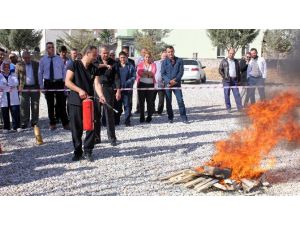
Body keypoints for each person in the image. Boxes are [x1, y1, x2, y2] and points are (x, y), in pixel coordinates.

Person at [65, 45, 106, 162]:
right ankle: (77, 152)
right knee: (76, 128)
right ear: (87, 53)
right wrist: (79, 90)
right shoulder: (74, 64)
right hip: (75, 101)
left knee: (91, 127)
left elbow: (97, 84)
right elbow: (67, 81)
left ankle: (88, 151)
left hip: (89, 102)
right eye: (94, 55)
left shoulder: (94, 67)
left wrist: (101, 96)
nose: (95, 57)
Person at [38, 42, 69, 130]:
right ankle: (52, 123)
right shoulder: (43, 60)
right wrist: (41, 86)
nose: (51, 49)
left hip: (59, 83)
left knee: (61, 104)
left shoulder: (59, 59)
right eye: (49, 47)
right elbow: (40, 73)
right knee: (50, 104)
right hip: (48, 83)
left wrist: (65, 84)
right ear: (46, 49)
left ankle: (65, 123)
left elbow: (64, 72)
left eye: (52, 47)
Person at [95, 46, 121, 146]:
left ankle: (112, 138)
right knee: (96, 114)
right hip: (97, 88)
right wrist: (105, 66)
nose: (105, 55)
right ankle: (96, 137)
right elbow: (94, 66)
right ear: (100, 53)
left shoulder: (113, 62)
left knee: (109, 114)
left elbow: (117, 78)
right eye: (103, 53)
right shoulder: (96, 60)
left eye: (107, 53)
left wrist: (118, 90)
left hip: (108, 89)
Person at [161, 45, 188, 123]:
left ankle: (184, 118)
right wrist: (169, 81)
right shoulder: (164, 62)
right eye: (168, 52)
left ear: (174, 51)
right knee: (168, 102)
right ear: (166, 53)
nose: (170, 53)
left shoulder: (179, 60)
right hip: (168, 85)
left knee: (180, 101)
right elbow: (163, 74)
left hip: (177, 84)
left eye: (171, 51)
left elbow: (181, 72)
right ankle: (170, 118)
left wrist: (175, 80)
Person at [15, 51, 40, 129]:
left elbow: (39, 75)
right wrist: (17, 87)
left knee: (35, 105)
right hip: (24, 88)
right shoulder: (18, 65)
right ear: (22, 58)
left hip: (35, 87)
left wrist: (40, 86)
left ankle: (34, 122)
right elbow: (16, 77)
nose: (26, 59)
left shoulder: (36, 64)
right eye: (25, 58)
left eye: (28, 57)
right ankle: (24, 122)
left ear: (30, 57)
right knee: (24, 106)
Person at [114, 51, 135, 126]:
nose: (122, 59)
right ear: (119, 58)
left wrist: (127, 83)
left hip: (127, 89)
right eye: (121, 57)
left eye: (124, 57)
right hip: (118, 90)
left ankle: (127, 121)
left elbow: (133, 77)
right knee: (118, 106)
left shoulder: (130, 66)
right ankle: (116, 120)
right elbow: (114, 77)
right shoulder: (116, 66)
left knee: (127, 105)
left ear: (126, 58)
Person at [218, 48, 243, 112]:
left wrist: (239, 80)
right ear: (228, 53)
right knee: (227, 94)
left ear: (234, 54)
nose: (231, 55)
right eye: (230, 53)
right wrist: (224, 76)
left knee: (237, 94)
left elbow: (238, 71)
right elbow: (220, 70)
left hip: (235, 80)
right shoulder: (224, 61)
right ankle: (228, 108)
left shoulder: (236, 61)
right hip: (227, 81)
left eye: (233, 53)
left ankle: (240, 108)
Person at [0, 60, 21, 133]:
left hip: (13, 95)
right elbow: (1, 85)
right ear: (2, 67)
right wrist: (9, 85)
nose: (6, 68)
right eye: (5, 67)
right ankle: (6, 127)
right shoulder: (0, 75)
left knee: (15, 111)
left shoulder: (13, 74)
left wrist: (6, 85)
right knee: (5, 112)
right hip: (4, 96)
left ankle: (17, 126)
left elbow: (16, 83)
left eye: (8, 67)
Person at [136, 51, 156, 123]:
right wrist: (148, 74)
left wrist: (145, 73)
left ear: (151, 58)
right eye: (146, 57)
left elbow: (153, 73)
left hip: (150, 85)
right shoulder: (140, 64)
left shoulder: (153, 65)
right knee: (141, 102)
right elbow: (139, 73)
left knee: (149, 101)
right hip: (141, 84)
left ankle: (149, 116)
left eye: (149, 57)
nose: (147, 58)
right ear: (144, 58)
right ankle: (142, 116)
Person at [134, 48, 147, 114]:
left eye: (145, 52)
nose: (144, 53)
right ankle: (138, 109)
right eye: (143, 52)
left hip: (148, 79)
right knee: (139, 95)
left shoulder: (149, 58)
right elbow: (135, 68)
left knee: (148, 95)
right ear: (141, 53)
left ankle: (150, 109)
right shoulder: (138, 59)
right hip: (140, 79)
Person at [154, 51, 167, 115]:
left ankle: (159, 111)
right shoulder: (155, 63)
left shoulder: (168, 64)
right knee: (151, 99)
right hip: (154, 84)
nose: (164, 57)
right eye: (163, 56)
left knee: (161, 100)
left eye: (165, 56)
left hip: (162, 85)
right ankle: (152, 110)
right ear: (161, 56)